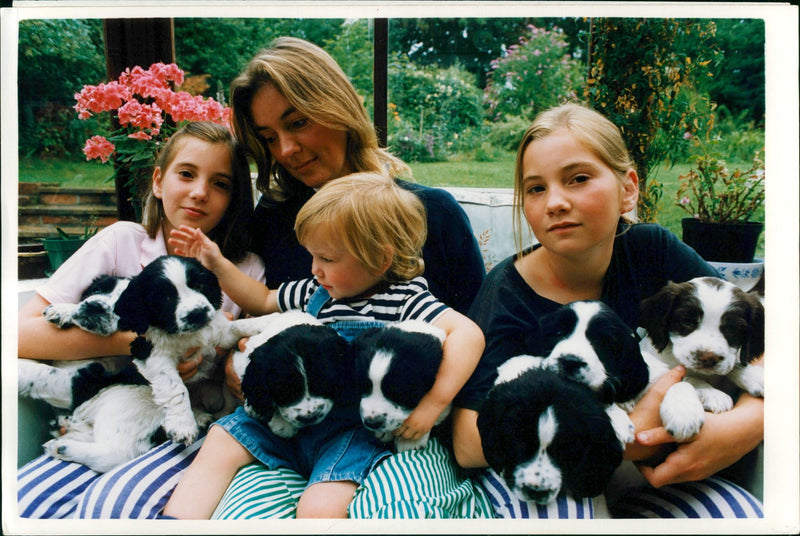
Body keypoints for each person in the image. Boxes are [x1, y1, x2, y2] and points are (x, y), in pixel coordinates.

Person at [73, 37, 489, 520]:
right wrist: (232, 360)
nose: (286, 149)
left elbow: (474, 342)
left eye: (297, 122)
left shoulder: (428, 214)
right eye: (268, 137)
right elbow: (256, 309)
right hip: (275, 414)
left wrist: (431, 412)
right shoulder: (275, 217)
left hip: (378, 428)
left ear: (338, 107)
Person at [451, 102, 765, 519]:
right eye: (536, 188)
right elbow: (468, 443)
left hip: (647, 479)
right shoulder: (507, 295)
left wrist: (742, 427)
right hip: (544, 476)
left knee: (737, 514)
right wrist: (633, 437)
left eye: (578, 179)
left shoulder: (653, 250)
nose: (556, 202)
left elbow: (760, 343)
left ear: (628, 189)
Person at [162, 172, 485, 518]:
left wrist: (433, 404)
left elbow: (468, 335)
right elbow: (262, 298)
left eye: (327, 259)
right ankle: (177, 522)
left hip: (348, 432)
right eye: (312, 256)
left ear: (380, 259)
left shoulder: (404, 299)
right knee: (221, 441)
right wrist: (218, 264)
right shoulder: (318, 291)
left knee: (319, 508)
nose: (315, 269)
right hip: (286, 417)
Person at [16, 121, 265, 519]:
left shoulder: (244, 271)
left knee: (113, 507)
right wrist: (128, 344)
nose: (200, 192)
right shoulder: (121, 243)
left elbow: (244, 358)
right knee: (24, 502)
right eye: (186, 174)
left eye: (220, 184)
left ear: (234, 197)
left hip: (179, 427)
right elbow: (16, 336)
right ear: (158, 180)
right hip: (96, 409)